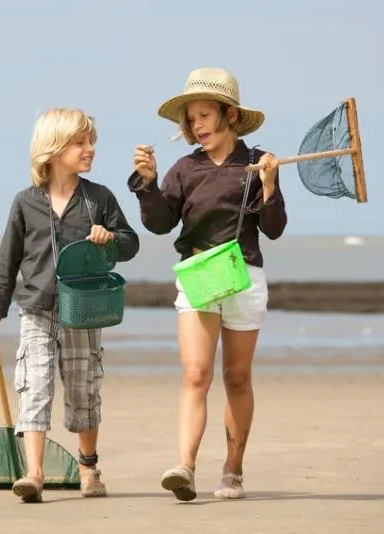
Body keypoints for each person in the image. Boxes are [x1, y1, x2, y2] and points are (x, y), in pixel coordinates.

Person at [127, 67, 287, 501]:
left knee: (237, 377)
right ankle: (185, 467)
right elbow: (160, 223)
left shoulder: (258, 162)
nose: (195, 125)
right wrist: (146, 183)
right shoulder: (184, 169)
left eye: (203, 115)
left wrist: (269, 187)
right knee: (196, 374)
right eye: (190, 118)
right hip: (198, 275)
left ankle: (233, 471)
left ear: (229, 115)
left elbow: (273, 229)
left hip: (245, 276)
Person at [0, 107, 140, 503]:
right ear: (53, 149)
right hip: (35, 308)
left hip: (84, 308)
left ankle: (89, 467)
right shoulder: (25, 202)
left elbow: (130, 243)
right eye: (80, 142)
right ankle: (34, 474)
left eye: (92, 143)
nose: (90, 150)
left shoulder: (98, 199)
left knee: (84, 389)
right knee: (34, 385)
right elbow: (8, 258)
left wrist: (110, 239)